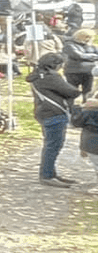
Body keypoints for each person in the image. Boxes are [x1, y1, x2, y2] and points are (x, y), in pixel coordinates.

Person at [29, 52, 81, 188]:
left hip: (44, 112)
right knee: (53, 146)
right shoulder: (51, 77)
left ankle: (51, 173)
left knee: (51, 145)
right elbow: (72, 92)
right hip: (54, 113)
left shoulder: (38, 76)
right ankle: (47, 175)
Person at [64, 28, 97, 98]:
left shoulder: (92, 46)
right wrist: (93, 56)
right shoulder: (69, 45)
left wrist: (87, 56)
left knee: (88, 91)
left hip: (88, 72)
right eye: (88, 37)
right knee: (72, 91)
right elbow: (79, 56)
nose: (90, 39)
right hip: (73, 72)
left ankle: (87, 105)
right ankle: (71, 106)